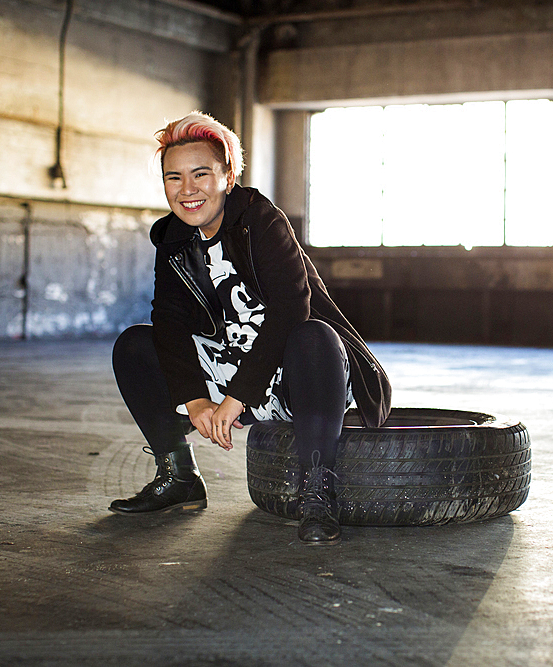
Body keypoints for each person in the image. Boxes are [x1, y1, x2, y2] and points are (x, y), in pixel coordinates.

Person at [109, 111, 392, 545]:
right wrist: (196, 400)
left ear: (228, 175)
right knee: (135, 344)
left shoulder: (260, 219)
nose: (187, 190)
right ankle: (179, 475)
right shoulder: (172, 240)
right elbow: (169, 322)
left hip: (304, 375)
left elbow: (290, 311)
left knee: (312, 334)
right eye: (174, 178)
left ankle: (318, 490)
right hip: (234, 364)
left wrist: (237, 397)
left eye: (201, 174)